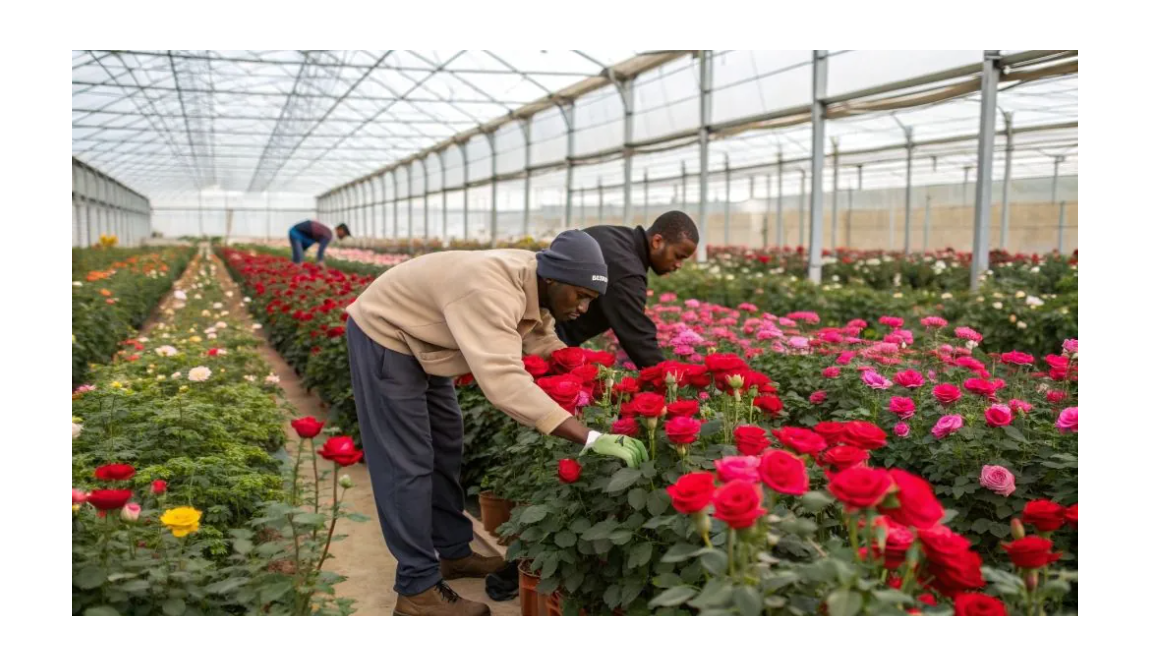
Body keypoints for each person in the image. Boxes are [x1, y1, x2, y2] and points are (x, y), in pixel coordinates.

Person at [345, 230, 639, 616]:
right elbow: (503, 382)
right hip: (387, 335)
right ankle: (416, 589)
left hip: (426, 341)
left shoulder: (538, 277)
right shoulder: (491, 291)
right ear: (553, 280)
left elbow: (539, 335)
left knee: (447, 443)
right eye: (581, 296)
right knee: (407, 463)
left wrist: (587, 375)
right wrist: (589, 436)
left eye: (591, 299)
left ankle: (452, 553)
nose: (584, 308)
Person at [556, 211, 699, 369]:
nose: (678, 265)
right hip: (545, 336)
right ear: (657, 241)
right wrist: (669, 379)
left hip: (535, 318)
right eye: (678, 256)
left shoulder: (614, 236)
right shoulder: (626, 270)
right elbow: (638, 337)